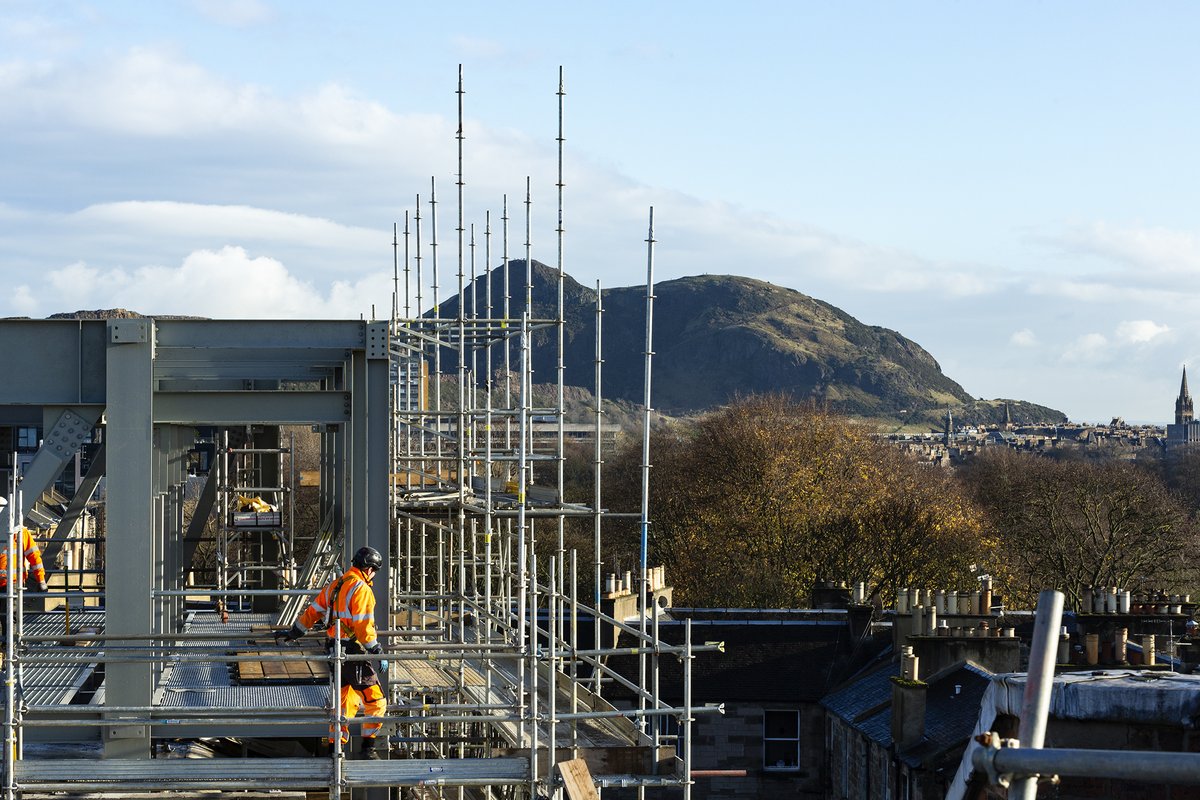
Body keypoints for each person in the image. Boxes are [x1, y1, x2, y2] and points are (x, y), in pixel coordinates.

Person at [277, 546, 388, 760]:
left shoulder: (336, 585)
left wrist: (295, 632)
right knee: (377, 701)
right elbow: (363, 626)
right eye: (374, 570)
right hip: (352, 652)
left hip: (333, 649)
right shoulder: (361, 589)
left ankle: (334, 750)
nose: (374, 574)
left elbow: (313, 612)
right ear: (368, 568)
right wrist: (377, 650)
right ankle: (368, 748)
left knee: (345, 702)